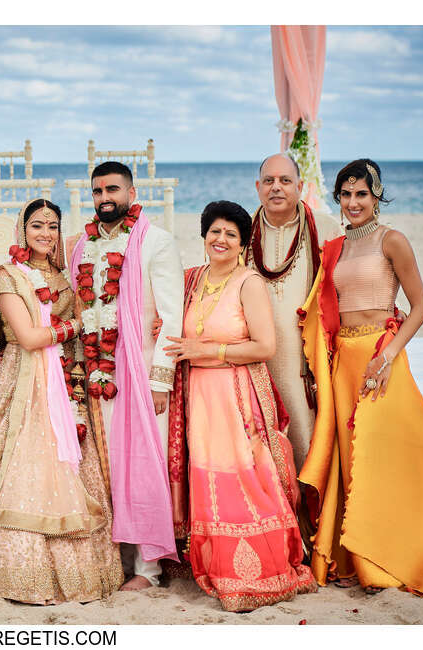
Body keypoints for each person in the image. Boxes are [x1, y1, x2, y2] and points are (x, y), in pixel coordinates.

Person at [0, 199, 123, 602]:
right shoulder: (8, 275)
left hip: (63, 381)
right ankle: (9, 573)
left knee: (68, 465)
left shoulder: (65, 276)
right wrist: (77, 325)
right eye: (37, 225)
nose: (45, 233)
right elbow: (30, 337)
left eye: (52, 226)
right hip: (24, 381)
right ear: (23, 230)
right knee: (16, 463)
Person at [298, 159, 423, 595]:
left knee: (383, 456)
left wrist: (390, 354)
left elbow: (420, 307)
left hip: (381, 357)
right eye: (346, 194)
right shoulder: (335, 248)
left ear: (377, 197)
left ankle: (392, 559)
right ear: (338, 198)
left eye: (362, 194)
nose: (354, 202)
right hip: (344, 365)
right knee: (353, 461)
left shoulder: (392, 241)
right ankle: (359, 559)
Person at [164, 200, 317, 612]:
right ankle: (215, 565)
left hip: (235, 397)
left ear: (242, 243)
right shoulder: (192, 281)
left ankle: (256, 570)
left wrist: (207, 350)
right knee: (207, 474)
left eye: (231, 234)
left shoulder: (248, 282)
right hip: (198, 398)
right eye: (215, 231)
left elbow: (265, 346)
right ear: (203, 235)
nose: (221, 239)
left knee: (243, 477)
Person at [67, 161, 182, 590]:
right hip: (97, 373)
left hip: (141, 375)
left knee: (141, 466)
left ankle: (149, 570)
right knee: (109, 467)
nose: (104, 198)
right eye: (97, 191)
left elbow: (173, 317)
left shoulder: (157, 242)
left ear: (132, 193)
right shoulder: (82, 247)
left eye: (112, 189)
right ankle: (115, 558)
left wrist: (160, 379)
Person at [245, 153, 342, 492]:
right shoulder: (242, 231)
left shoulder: (326, 229)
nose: (277, 187)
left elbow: (348, 287)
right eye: (269, 181)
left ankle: (313, 533)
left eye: (285, 181)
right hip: (253, 366)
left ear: (300, 187)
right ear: (258, 187)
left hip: (306, 366)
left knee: (309, 445)